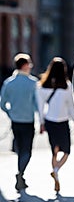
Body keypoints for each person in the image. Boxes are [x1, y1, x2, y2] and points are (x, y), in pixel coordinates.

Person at [37, 57, 74, 192]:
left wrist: (41, 123)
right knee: (66, 151)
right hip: (63, 121)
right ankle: (56, 170)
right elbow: (71, 107)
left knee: (54, 149)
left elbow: (40, 106)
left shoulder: (42, 86)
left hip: (49, 121)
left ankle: (55, 171)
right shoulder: (67, 86)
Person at [0, 53, 39, 191]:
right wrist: (42, 120)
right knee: (26, 151)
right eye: (30, 63)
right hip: (28, 120)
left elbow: (3, 103)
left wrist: (11, 113)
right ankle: (20, 174)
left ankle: (20, 176)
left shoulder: (9, 82)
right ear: (25, 65)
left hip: (15, 121)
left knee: (20, 148)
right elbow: (37, 105)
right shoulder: (34, 83)